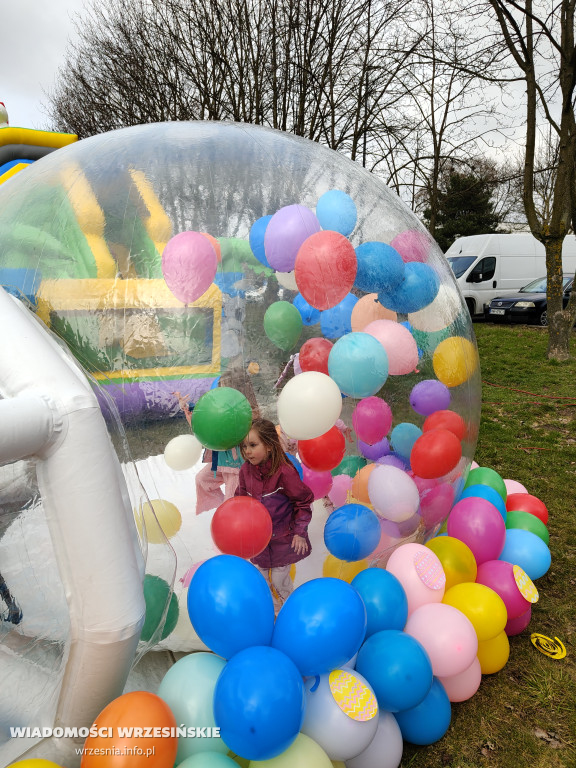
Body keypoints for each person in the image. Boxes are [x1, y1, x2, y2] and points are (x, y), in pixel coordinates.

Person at [236, 418, 313, 613]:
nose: (247, 451)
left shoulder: (284, 472)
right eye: (244, 446)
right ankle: (272, 610)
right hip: (259, 540)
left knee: (279, 579)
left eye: (253, 445)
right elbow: (241, 498)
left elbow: (303, 501)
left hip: (282, 539)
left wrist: (299, 532)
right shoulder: (245, 471)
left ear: (269, 446)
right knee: (260, 579)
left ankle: (292, 610)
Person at [193, 368, 260, 515]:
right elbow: (204, 427)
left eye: (224, 388)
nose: (220, 393)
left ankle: (238, 522)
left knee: (233, 501)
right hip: (222, 460)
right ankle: (225, 508)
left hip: (237, 467)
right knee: (202, 480)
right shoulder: (221, 410)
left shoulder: (247, 412)